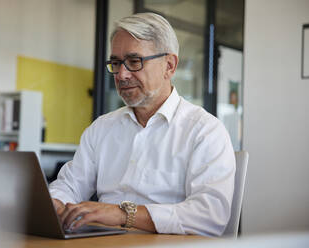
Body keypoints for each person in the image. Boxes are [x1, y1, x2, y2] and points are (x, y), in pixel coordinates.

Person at [49, 12, 235, 236]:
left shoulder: (204, 131)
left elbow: (209, 217)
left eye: (134, 61)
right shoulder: (102, 128)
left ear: (169, 65)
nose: (121, 75)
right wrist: (56, 203)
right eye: (116, 63)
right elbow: (69, 185)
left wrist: (123, 214)